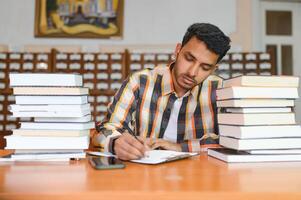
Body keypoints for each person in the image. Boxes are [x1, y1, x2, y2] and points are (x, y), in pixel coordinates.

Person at [93, 23, 231, 160]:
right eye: (189, 59)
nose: (192, 72)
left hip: (198, 177)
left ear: (214, 69)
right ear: (177, 50)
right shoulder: (139, 83)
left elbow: (236, 140)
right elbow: (105, 129)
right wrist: (115, 142)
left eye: (205, 67)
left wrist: (180, 147)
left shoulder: (222, 91)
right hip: (143, 176)